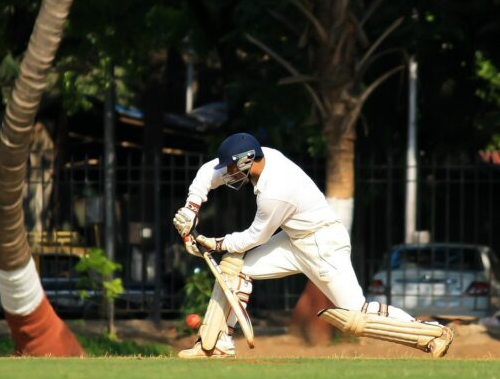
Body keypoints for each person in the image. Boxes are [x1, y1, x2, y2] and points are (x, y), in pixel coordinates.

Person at [172, 132, 453, 358]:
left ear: (246, 160)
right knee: (235, 268)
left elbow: (254, 237)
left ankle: (431, 332)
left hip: (322, 244)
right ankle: (220, 344)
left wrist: (215, 243)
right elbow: (211, 170)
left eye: (233, 168)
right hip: (295, 239)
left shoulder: (276, 191)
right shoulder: (264, 155)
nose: (229, 173)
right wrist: (191, 208)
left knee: (357, 313)